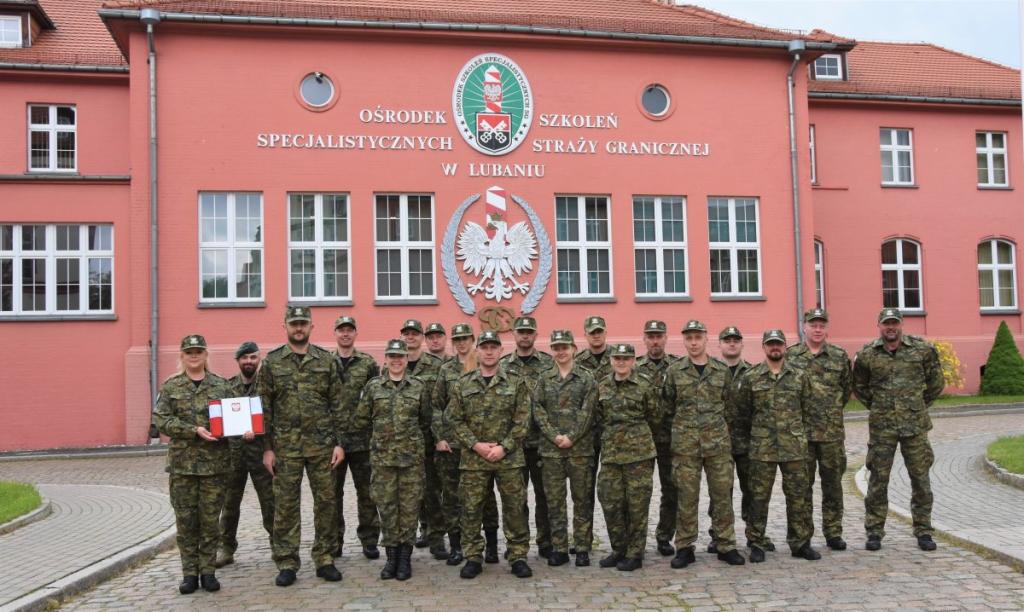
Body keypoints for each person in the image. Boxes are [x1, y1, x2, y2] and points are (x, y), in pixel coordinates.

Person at [259, 306, 344, 587]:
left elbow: (338, 405)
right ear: (285, 326)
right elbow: (264, 408)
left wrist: (339, 444)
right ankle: (286, 562)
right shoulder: (272, 363)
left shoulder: (326, 360)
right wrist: (267, 448)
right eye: (294, 323)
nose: (299, 328)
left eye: (303, 323)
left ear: (311, 327)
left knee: (327, 503)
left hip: (322, 446)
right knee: (285, 505)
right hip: (286, 448)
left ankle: (325, 557)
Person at [853, 308, 944, 552]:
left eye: (894, 323)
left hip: (914, 426)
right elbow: (859, 386)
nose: (890, 327)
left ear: (901, 324)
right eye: (886, 323)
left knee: (920, 479)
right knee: (877, 479)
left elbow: (936, 382)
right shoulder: (867, 354)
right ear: (879, 326)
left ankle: (924, 531)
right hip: (882, 427)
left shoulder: (921, 350)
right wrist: (878, 406)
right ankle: (874, 531)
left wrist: (917, 405)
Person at [446, 330, 533, 579]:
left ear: (501, 351)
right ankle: (473, 556)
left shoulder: (516, 382)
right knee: (471, 509)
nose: (489, 351)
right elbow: (454, 419)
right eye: (484, 347)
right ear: (478, 351)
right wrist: (476, 445)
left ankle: (518, 556)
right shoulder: (463, 383)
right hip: (474, 459)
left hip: (509, 458)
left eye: (493, 347)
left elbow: (523, 420)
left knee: (515, 508)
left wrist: (503, 447)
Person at [662, 320, 745, 569]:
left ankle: (725, 544)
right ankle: (685, 547)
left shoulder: (721, 371)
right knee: (686, 498)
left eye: (698, 337)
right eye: (689, 338)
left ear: (706, 339)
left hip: (717, 445)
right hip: (686, 447)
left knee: (722, 496)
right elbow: (667, 407)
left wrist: (718, 431)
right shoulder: (674, 371)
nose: (694, 342)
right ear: (684, 341)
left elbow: (731, 407)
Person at [731, 329, 819, 563]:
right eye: (770, 344)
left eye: (778, 343)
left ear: (784, 346)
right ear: (764, 347)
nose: (775, 347)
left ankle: (800, 543)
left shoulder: (799, 376)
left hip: (794, 447)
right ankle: (756, 542)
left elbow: (808, 409)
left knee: (798, 496)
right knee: (758, 498)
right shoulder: (752, 377)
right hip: (762, 448)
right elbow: (742, 413)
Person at [154, 334, 230, 594]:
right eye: (189, 352)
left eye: (198, 351)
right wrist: (192, 430)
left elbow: (234, 416)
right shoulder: (171, 386)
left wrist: (244, 429)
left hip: (214, 467)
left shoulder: (221, 386)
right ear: (182, 356)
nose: (194, 355)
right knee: (186, 522)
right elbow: (161, 420)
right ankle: (189, 574)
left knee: (210, 521)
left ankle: (208, 572)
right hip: (183, 467)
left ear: (206, 354)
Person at [352, 339, 430, 581]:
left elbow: (426, 420)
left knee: (409, 508)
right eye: (392, 356)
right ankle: (391, 557)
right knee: (386, 508)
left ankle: (405, 558)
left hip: (411, 460)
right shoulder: (373, 387)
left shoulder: (418, 387)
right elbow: (361, 419)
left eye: (400, 356)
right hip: (383, 461)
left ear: (407, 359)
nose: (396, 361)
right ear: (385, 359)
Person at [431, 323, 500, 566]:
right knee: (451, 497)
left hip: (479, 445)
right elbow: (437, 406)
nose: (461, 343)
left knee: (485, 496)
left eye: (465, 338)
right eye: (457, 339)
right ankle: (457, 546)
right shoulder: (446, 369)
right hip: (452, 445)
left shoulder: (485, 364)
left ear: (473, 341)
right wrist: (439, 437)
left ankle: (491, 545)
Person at [786, 308, 852, 551]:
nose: (817, 329)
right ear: (804, 327)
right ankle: (803, 535)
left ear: (827, 328)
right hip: (801, 434)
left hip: (831, 434)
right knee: (801, 487)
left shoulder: (839, 356)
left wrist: (830, 412)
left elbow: (846, 390)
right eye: (813, 325)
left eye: (821, 325)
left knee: (833, 485)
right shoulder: (791, 356)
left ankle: (833, 532)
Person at [533, 329, 598, 567]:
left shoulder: (587, 378)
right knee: (555, 501)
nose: (561, 352)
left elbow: (588, 411)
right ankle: (559, 547)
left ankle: (582, 547)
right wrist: (554, 436)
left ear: (574, 349)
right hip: (551, 451)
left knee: (582, 500)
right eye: (556, 348)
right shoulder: (544, 378)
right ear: (552, 350)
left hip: (580, 450)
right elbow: (538, 410)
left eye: (565, 347)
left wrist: (571, 437)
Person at [595, 343, 659, 571]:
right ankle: (619, 548)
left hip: (638, 456)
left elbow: (655, 416)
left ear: (633, 361)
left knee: (637, 505)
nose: (621, 362)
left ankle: (635, 553)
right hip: (611, 455)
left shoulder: (644, 385)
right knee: (610, 502)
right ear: (611, 360)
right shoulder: (602, 385)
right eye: (617, 358)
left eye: (626, 358)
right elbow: (598, 417)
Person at [499, 315, 555, 560]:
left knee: (545, 495)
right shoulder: (503, 365)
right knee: (514, 499)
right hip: (514, 445)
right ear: (514, 334)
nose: (525, 335)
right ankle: (516, 543)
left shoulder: (548, 363)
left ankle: (546, 541)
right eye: (521, 332)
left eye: (529, 332)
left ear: (535, 334)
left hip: (542, 442)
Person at [216, 341, 275, 569]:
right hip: (234, 455)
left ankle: (277, 544)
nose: (248, 361)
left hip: (261, 453)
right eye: (244, 358)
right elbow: (220, 419)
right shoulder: (228, 387)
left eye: (252, 357)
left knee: (270, 502)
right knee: (230, 504)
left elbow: (274, 416)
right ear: (238, 361)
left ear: (258, 359)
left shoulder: (267, 385)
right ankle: (226, 547)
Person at [714, 326, 769, 551]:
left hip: (748, 443)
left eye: (736, 340)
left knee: (752, 491)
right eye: (727, 340)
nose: (732, 343)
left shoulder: (753, 373)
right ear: (719, 344)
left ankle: (754, 534)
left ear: (742, 344)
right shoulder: (712, 372)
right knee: (720, 493)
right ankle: (718, 534)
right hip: (719, 444)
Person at [332, 316, 382, 560]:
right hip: (334, 441)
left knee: (367, 493)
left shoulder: (368, 363)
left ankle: (369, 539)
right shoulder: (325, 363)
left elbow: (376, 397)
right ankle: (334, 540)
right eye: (341, 330)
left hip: (363, 440)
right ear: (335, 333)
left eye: (350, 330)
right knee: (332, 495)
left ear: (355, 333)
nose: (345, 334)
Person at [401, 319, 448, 559]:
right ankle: (424, 529)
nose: (410, 337)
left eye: (415, 334)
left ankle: (437, 537)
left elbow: (441, 403)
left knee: (432, 490)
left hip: (430, 439)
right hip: (405, 441)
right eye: (407, 334)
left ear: (422, 338)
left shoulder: (436, 365)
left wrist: (441, 435)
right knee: (413, 492)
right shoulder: (394, 363)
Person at [634, 319, 679, 556]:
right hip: (642, 440)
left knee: (671, 490)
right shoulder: (635, 367)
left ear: (665, 338)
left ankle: (664, 536)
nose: (654, 341)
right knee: (639, 493)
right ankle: (635, 541)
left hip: (670, 440)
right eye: (650, 337)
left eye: (658, 336)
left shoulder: (677, 367)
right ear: (644, 339)